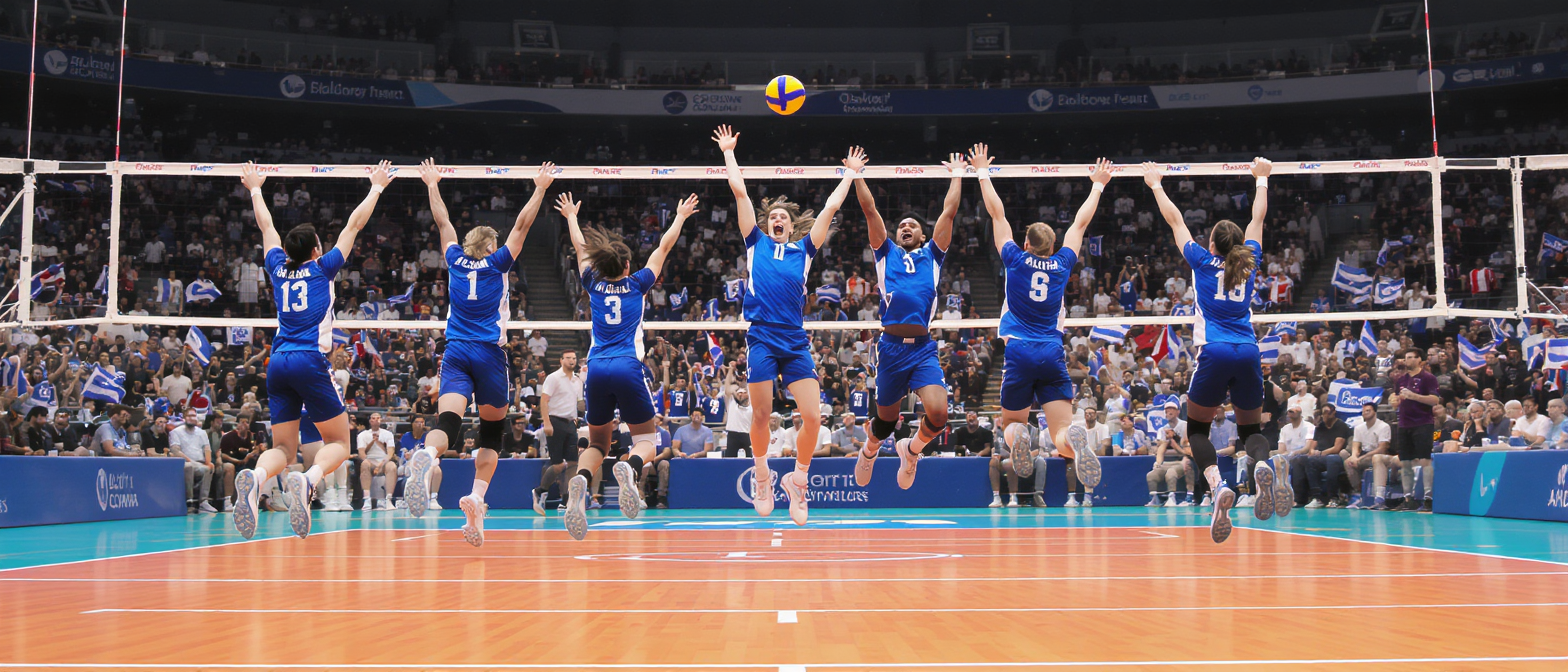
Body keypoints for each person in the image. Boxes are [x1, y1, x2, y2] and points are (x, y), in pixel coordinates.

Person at [231, 160, 390, 540]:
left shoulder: (277, 267)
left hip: (278, 361)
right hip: (308, 359)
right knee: (340, 443)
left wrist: (256, 188)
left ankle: (256, 477)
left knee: (284, 450)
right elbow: (354, 225)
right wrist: (377, 187)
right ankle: (311, 478)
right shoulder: (323, 268)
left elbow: (266, 227)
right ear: (317, 250)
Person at [713, 124, 856, 525]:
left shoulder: (804, 250)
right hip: (761, 337)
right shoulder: (755, 243)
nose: (777, 219)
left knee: (813, 417)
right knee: (760, 415)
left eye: (782, 218)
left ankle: (798, 480)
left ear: (791, 227)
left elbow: (828, 210)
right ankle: (762, 476)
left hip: (793, 340)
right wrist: (728, 152)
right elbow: (740, 192)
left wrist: (849, 174)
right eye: (772, 217)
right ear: (766, 225)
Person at [410, 160, 555, 544]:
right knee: (492, 434)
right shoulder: (497, 263)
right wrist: (540, 188)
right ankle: (476, 496)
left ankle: (427, 456)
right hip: (489, 353)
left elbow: (443, 222)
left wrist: (432, 184)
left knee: (447, 424)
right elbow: (522, 226)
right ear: (490, 246)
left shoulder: (455, 260)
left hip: (456, 351)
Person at [551, 190, 696, 540]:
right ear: (628, 266)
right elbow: (663, 247)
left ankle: (580, 480)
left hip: (596, 368)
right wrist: (680, 216)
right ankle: (630, 467)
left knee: (597, 444)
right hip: (628, 366)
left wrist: (571, 217)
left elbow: (581, 249)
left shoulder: (593, 284)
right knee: (647, 439)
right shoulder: (637, 284)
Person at [1143, 156, 1272, 543]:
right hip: (1248, 349)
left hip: (1214, 351)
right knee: (1251, 430)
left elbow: (1175, 220)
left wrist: (1155, 184)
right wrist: (1261, 179)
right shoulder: (1248, 261)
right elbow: (1258, 219)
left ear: (1212, 244)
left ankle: (1218, 485)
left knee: (1197, 428)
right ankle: (1262, 466)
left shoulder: (1200, 260)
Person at [849, 150, 965, 490]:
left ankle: (911, 451)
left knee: (939, 415)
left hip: (922, 349)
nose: (905, 227)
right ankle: (869, 451)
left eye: (912, 225)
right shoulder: (886, 253)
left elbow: (949, 211)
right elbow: (870, 210)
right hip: (891, 348)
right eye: (901, 226)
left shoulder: (933, 255)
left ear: (923, 236)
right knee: (885, 422)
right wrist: (857, 174)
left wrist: (957, 174)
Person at [532, 351, 583, 515]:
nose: (571, 361)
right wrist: (546, 422)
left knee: (573, 463)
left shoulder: (578, 380)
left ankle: (567, 500)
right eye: (568, 358)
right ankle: (540, 491)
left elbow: (579, 403)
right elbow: (544, 400)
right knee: (558, 464)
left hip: (570, 423)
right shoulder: (553, 378)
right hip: (555, 421)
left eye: (574, 358)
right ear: (561, 360)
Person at [1390, 347, 1440, 512]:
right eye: (1407, 357)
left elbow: (1435, 400)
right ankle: (1408, 498)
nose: (1408, 360)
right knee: (1405, 462)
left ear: (1420, 360)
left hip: (1422, 423)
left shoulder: (1428, 378)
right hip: (1404, 424)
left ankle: (1428, 498)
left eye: (1412, 357)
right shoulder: (1401, 380)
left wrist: (1414, 396)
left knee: (1425, 460)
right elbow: (1397, 398)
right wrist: (1394, 401)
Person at [170, 409, 217, 513]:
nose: (192, 418)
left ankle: (203, 502)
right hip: (184, 462)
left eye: (194, 416)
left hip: (200, 463)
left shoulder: (202, 433)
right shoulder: (176, 432)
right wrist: (191, 461)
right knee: (189, 466)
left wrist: (208, 462)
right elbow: (176, 451)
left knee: (208, 467)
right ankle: (189, 501)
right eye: (189, 416)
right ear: (184, 418)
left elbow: (207, 449)